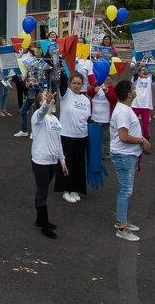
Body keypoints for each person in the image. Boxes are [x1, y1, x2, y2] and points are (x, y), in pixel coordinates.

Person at [111, 79, 148, 242]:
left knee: (124, 189)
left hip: (126, 155)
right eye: (133, 88)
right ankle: (122, 227)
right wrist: (141, 140)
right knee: (126, 190)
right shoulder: (123, 112)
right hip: (124, 155)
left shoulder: (124, 109)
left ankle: (121, 219)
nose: (135, 90)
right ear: (128, 93)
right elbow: (124, 137)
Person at [30, 88, 66, 239]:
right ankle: (44, 224)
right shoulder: (38, 117)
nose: (49, 98)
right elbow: (42, 111)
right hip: (40, 160)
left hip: (52, 161)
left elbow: (58, 141)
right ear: (40, 101)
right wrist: (46, 102)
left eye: (50, 96)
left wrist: (62, 161)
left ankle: (39, 219)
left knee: (42, 190)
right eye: (45, 96)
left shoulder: (55, 120)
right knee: (43, 191)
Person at [55, 73, 91, 203]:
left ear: (82, 85)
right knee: (66, 163)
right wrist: (65, 70)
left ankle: (75, 188)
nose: (76, 86)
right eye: (74, 83)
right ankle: (66, 190)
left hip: (81, 136)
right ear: (70, 84)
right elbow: (63, 82)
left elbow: (88, 118)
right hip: (66, 135)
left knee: (78, 164)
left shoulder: (86, 100)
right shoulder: (65, 94)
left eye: (78, 83)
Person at [87, 75, 116, 158]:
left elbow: (114, 99)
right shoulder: (97, 87)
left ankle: (106, 154)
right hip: (94, 118)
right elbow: (89, 93)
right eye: (106, 79)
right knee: (94, 137)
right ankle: (94, 153)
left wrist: (106, 92)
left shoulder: (112, 89)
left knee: (106, 137)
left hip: (106, 119)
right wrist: (94, 89)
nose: (108, 81)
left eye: (110, 80)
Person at [130, 63, 155, 147]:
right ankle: (130, 140)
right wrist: (139, 64)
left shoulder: (150, 78)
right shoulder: (136, 78)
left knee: (145, 127)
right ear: (139, 72)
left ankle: (146, 144)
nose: (144, 71)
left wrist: (150, 67)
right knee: (131, 123)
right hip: (135, 105)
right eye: (142, 70)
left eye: (146, 70)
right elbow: (133, 68)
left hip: (146, 106)